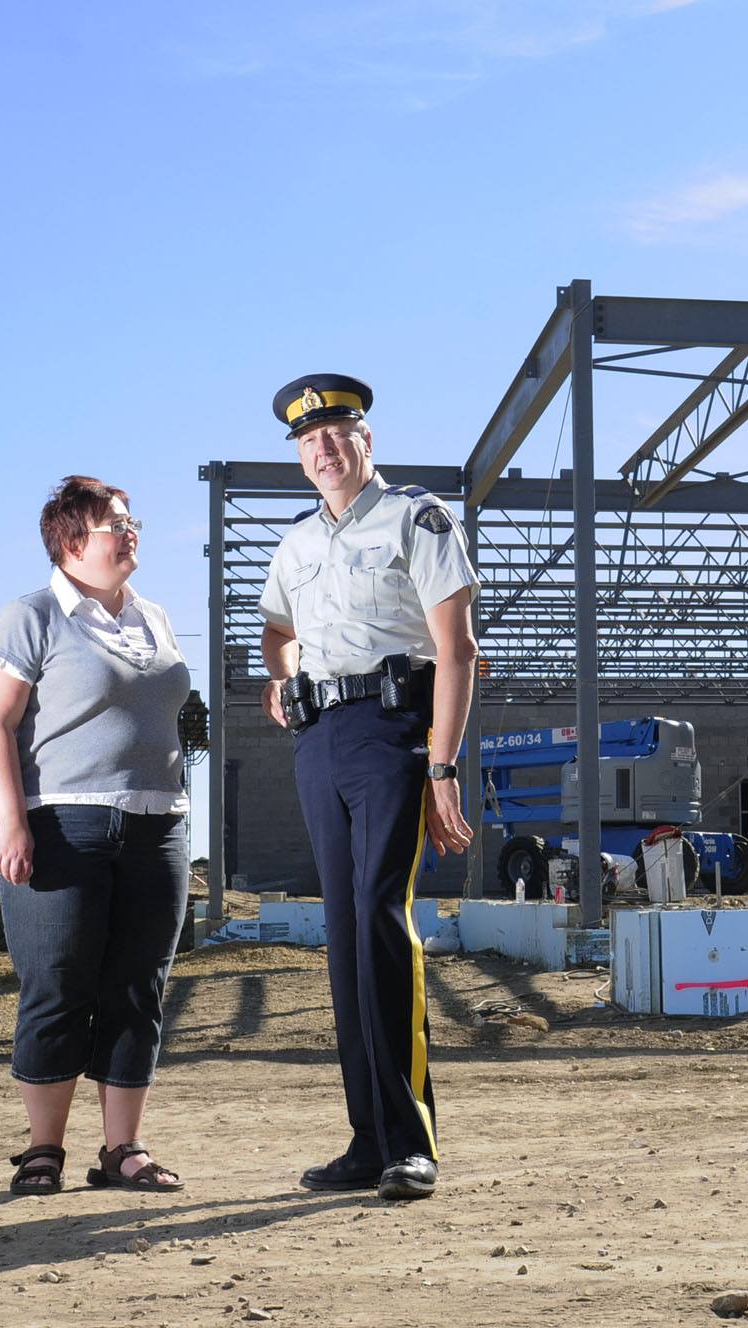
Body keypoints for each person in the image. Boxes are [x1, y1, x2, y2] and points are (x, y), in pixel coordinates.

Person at [258, 373, 478, 1203]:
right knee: (345, 933)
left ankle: (410, 1140)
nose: (324, 447)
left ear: (366, 441)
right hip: (321, 740)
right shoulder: (295, 545)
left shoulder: (416, 518)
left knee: (384, 917)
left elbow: (455, 652)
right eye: (310, 440)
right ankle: (366, 1138)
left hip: (393, 733)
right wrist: (280, 679)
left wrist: (443, 763)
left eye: (338, 433)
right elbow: (277, 628)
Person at [0, 475, 192, 1197]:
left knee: (138, 988)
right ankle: (43, 1150)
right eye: (114, 524)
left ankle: (122, 1150)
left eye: (133, 521)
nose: (131, 532)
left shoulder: (154, 616)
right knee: (60, 986)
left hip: (157, 823)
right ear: (71, 540)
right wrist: (11, 821)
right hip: (61, 822)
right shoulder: (30, 616)